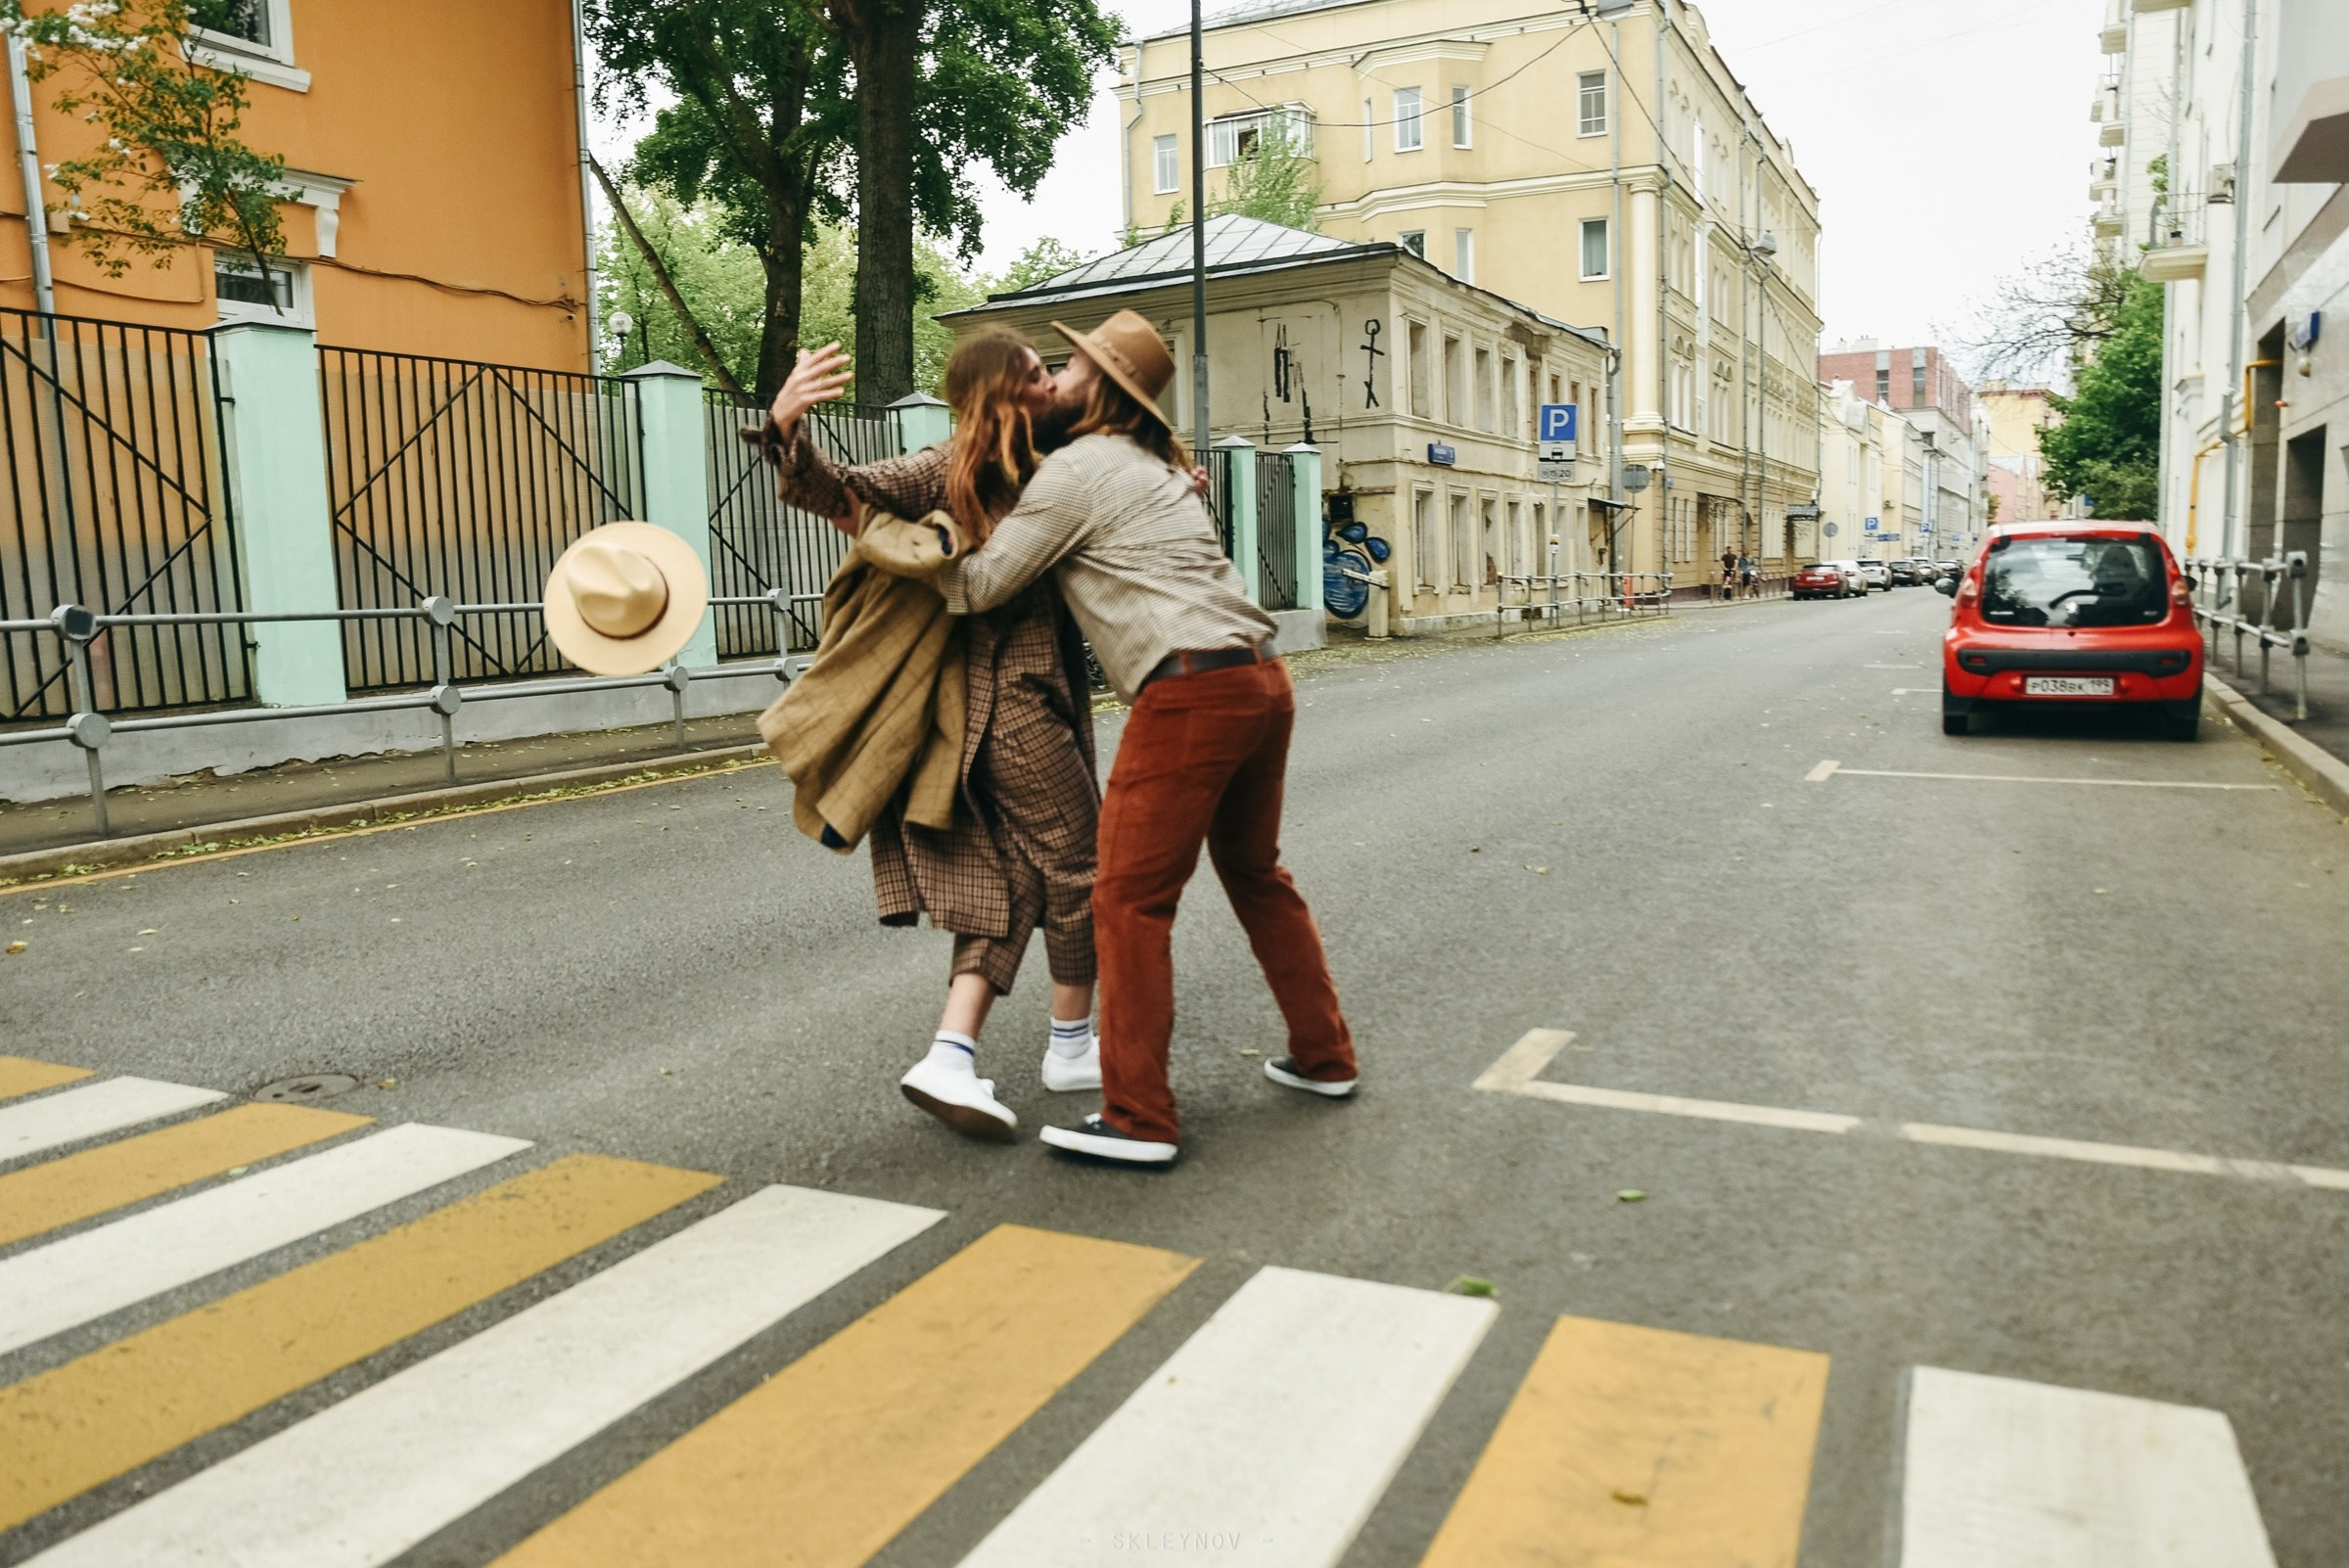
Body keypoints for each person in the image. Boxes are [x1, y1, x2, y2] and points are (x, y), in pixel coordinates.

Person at [916, 308, 1358, 1167]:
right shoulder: (1153, 461)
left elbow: (981, 586)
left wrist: (911, 546)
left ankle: (1140, 1118)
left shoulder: (1078, 471)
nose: (1054, 376)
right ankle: (1325, 1055)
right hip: (1262, 678)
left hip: (1190, 693)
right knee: (1257, 875)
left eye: (1072, 370)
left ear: (1101, 393)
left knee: (1126, 902)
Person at [756, 334, 1102, 1145]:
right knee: (1085, 863)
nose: (1051, 382)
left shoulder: (1054, 461)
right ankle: (1072, 1046)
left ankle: (949, 1055)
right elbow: (841, 492)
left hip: (1003, 711)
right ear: (1001, 395)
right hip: (1007, 709)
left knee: (1016, 881)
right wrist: (786, 426)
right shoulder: (949, 467)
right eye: (1035, 374)